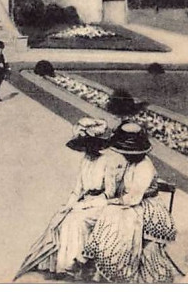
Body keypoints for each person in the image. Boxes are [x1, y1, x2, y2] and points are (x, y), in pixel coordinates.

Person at [15, 118, 122, 280]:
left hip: (102, 205)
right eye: (85, 145)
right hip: (85, 202)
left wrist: (86, 205)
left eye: (90, 144)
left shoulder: (107, 162)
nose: (87, 149)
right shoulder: (85, 161)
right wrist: (70, 204)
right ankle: (62, 265)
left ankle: (78, 266)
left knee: (77, 220)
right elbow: (77, 189)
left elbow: (109, 194)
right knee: (62, 217)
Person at [83, 122, 178, 283]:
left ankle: (120, 268)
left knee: (118, 220)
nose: (124, 154)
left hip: (148, 206)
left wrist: (111, 202)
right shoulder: (129, 162)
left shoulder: (144, 167)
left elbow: (133, 198)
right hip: (130, 203)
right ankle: (103, 264)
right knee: (110, 216)